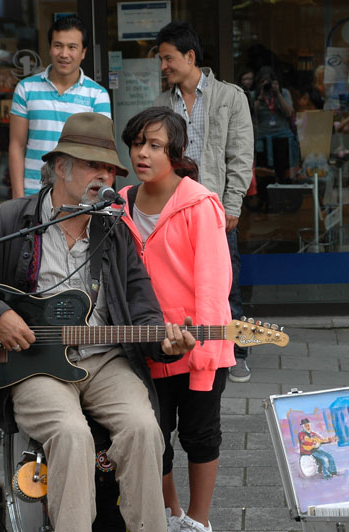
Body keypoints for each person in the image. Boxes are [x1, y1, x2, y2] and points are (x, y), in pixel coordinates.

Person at [0, 112, 197, 532]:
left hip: (104, 360)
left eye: (109, 169)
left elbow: (140, 299)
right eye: (90, 165)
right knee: (71, 434)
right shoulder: (9, 221)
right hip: (35, 362)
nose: (103, 176)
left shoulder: (113, 231)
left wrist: (162, 341)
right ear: (60, 167)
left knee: (143, 428)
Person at [118, 107, 233, 532]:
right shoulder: (119, 204)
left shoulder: (199, 204)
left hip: (199, 343)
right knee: (155, 437)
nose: (142, 153)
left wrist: (202, 351)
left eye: (154, 145)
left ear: (176, 152)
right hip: (148, 345)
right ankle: (171, 515)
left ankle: (199, 522)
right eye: (136, 143)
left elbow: (212, 285)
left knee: (200, 437)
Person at [153, 21, 254, 384]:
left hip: (213, 209)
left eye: (168, 58)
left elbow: (240, 157)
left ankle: (237, 351)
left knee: (226, 282)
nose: (163, 66)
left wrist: (232, 205)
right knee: (181, 284)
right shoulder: (163, 103)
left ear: (190, 57)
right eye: (161, 59)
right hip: (174, 208)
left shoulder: (230, 97)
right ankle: (191, 347)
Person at [9, 15, 111, 198]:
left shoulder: (97, 95)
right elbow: (17, 145)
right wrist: (18, 196)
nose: (64, 54)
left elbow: (100, 152)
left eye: (72, 47)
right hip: (34, 192)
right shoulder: (26, 89)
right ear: (49, 48)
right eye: (58, 46)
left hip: (78, 193)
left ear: (83, 52)